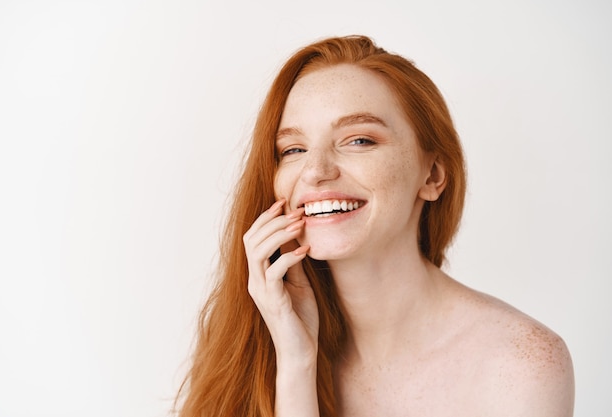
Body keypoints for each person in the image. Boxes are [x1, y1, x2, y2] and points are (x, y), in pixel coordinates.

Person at [176, 35, 574, 416]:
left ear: (433, 175)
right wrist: (296, 363)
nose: (314, 171)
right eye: (293, 149)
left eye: (359, 140)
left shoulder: (520, 363)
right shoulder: (254, 347)